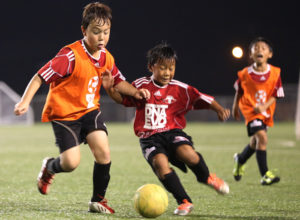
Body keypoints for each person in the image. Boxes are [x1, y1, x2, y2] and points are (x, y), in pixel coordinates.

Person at [14, 2, 149, 214]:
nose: (102, 37)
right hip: (64, 114)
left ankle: (98, 201)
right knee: (71, 162)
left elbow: (117, 80)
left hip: (89, 111)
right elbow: (40, 76)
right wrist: (24, 101)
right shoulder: (70, 56)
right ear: (84, 30)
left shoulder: (106, 57)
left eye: (106, 32)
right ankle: (50, 167)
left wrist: (135, 92)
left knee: (104, 152)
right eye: (96, 32)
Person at [103, 43, 230, 216]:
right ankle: (184, 201)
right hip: (149, 138)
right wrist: (110, 89)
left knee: (189, 154)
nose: (167, 73)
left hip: (172, 133)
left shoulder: (181, 89)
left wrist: (219, 109)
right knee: (160, 165)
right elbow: (123, 100)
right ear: (151, 67)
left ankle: (206, 177)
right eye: (162, 68)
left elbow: (202, 98)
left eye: (171, 68)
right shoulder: (140, 85)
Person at [232, 37, 284, 185]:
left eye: (263, 48)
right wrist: (235, 107)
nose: (259, 49)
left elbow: (276, 94)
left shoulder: (275, 73)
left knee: (255, 142)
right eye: (256, 48)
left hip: (264, 112)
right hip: (250, 110)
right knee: (262, 138)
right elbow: (239, 91)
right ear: (251, 55)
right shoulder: (244, 74)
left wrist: (264, 107)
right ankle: (265, 175)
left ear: (270, 54)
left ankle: (240, 159)